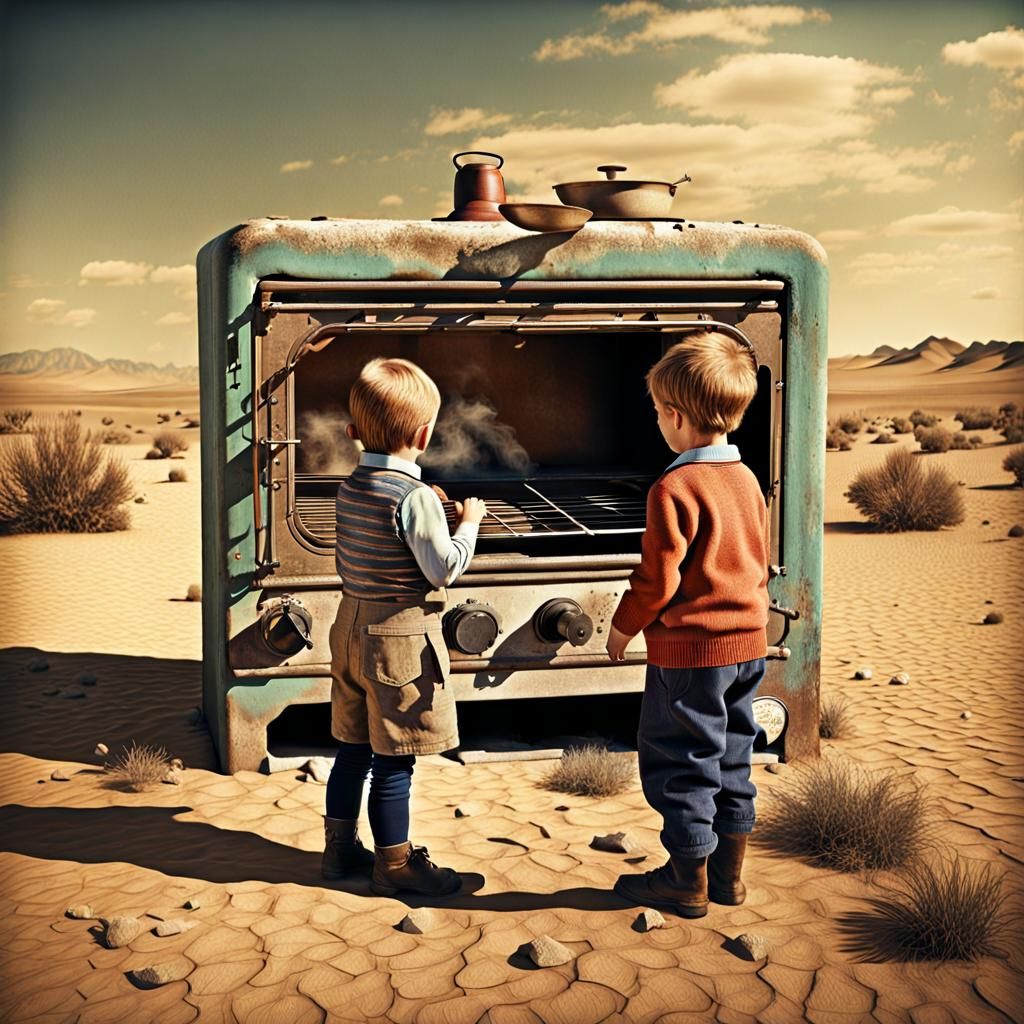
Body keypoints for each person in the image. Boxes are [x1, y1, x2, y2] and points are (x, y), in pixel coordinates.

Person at [607, 331, 769, 918]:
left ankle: (686, 879)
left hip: (691, 654)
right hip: (749, 645)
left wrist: (624, 628)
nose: (657, 421)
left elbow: (658, 579)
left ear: (675, 416)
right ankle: (729, 878)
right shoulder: (748, 480)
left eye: (657, 412)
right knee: (732, 756)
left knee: (682, 761)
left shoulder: (673, 487)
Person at [322, 357, 486, 896]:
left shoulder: (352, 486)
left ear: (352, 434)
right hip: (397, 639)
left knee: (352, 747)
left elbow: (384, 533)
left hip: (349, 628)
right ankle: (394, 865)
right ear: (423, 434)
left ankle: (339, 850)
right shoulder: (414, 498)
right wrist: (468, 523)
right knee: (396, 755)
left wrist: (428, 509)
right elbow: (443, 568)